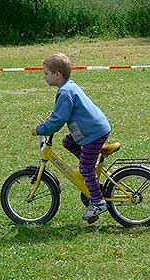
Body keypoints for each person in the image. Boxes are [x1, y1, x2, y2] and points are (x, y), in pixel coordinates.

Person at [30, 53, 111, 222]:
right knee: (68, 141)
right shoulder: (68, 87)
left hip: (92, 133)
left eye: (46, 73)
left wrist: (40, 129)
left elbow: (58, 121)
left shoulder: (65, 92)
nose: (43, 76)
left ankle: (97, 201)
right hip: (93, 128)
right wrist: (50, 119)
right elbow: (60, 112)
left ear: (57, 74)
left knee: (85, 168)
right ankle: (91, 167)